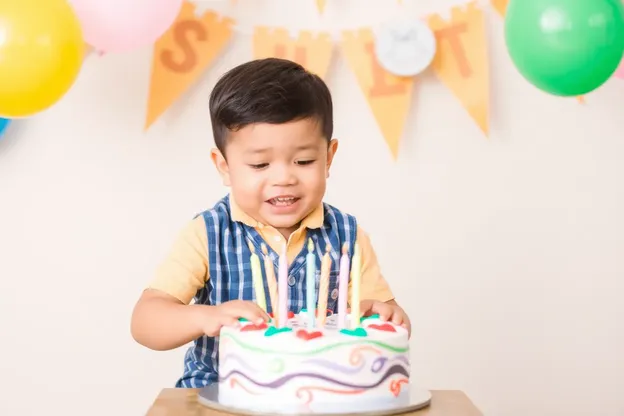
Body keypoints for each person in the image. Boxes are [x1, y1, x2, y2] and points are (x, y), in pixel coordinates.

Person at [130, 58, 411, 388]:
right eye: (260, 164)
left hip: (320, 399)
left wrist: (381, 315)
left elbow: (392, 321)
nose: (284, 178)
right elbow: (145, 322)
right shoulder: (207, 234)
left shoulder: (347, 236)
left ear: (329, 157)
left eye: (304, 161)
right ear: (224, 166)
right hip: (218, 397)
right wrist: (206, 317)